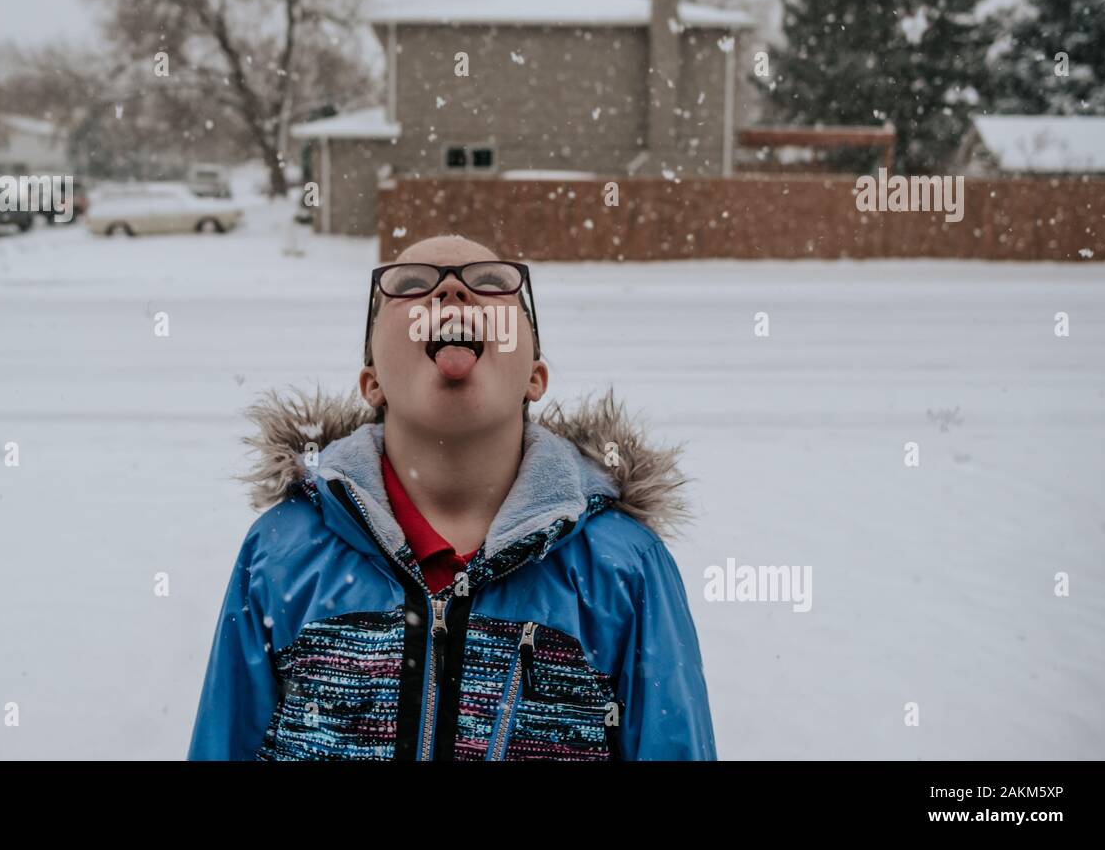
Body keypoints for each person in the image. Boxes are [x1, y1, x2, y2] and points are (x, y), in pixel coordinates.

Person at [188, 234, 716, 760]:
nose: (451, 294)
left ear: (535, 376)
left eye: (489, 283)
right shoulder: (281, 552)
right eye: (413, 284)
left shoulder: (625, 566)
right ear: (372, 382)